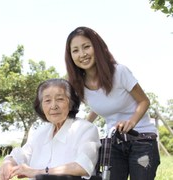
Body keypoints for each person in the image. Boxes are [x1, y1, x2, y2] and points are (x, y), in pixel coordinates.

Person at [64, 26, 160, 180]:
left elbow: (144, 101)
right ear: (70, 56)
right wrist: (82, 127)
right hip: (113, 142)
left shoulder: (120, 72)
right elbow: (101, 106)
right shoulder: (78, 85)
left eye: (86, 47)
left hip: (142, 138)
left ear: (97, 47)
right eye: (75, 50)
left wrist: (131, 122)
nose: (82, 54)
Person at [0, 78, 101, 180]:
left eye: (60, 99)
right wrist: (9, 161)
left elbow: (82, 166)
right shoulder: (41, 132)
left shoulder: (86, 129)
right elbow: (23, 154)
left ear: (71, 104)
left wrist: (37, 172)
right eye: (47, 100)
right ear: (41, 107)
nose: (53, 106)